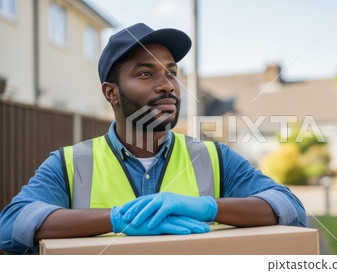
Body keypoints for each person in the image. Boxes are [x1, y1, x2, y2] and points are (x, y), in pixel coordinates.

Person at [0, 23, 307, 254]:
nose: (168, 86)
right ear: (111, 92)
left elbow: (289, 208)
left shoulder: (215, 157)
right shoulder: (70, 163)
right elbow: (11, 226)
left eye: (171, 73)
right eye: (146, 74)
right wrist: (115, 220)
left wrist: (208, 207)